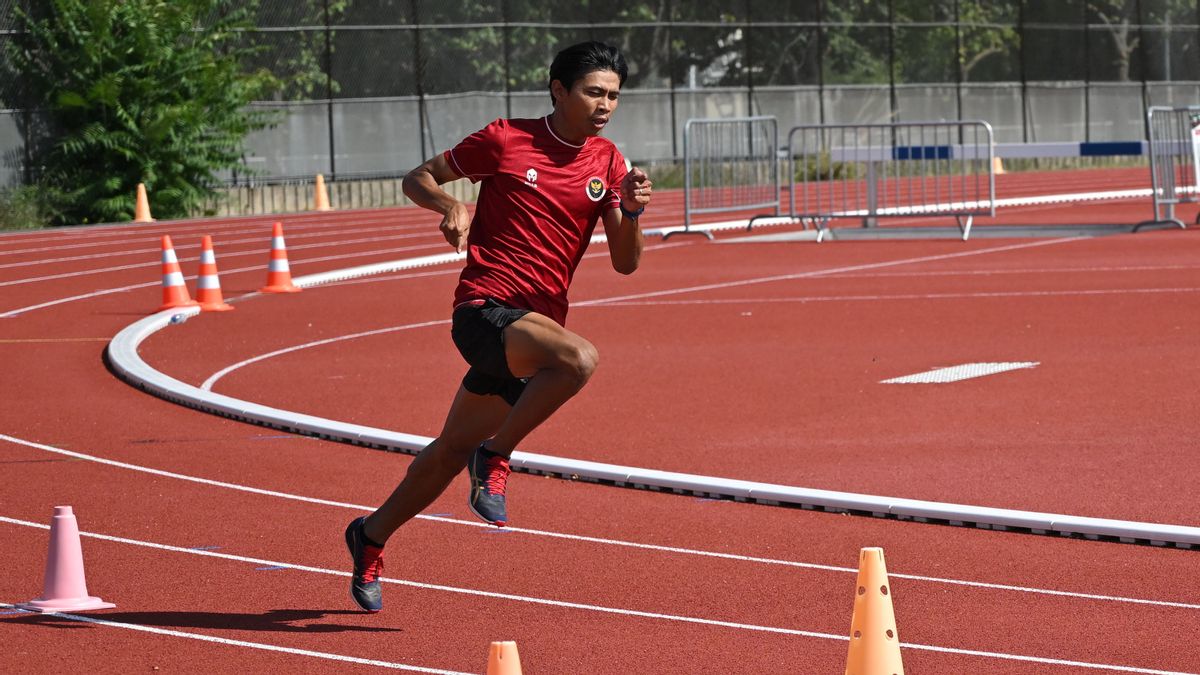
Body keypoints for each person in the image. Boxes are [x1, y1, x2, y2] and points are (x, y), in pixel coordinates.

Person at [344, 41, 652, 612]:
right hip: (484, 310)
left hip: (533, 330)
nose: (606, 104)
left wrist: (630, 211)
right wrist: (449, 206)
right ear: (558, 90)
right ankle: (498, 454)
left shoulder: (608, 161)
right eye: (594, 92)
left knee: (446, 452)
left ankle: (370, 536)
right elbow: (420, 177)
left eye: (613, 95)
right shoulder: (505, 138)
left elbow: (626, 262)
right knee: (579, 359)